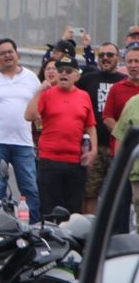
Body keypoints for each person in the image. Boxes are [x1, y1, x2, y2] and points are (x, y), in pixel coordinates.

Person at [0, 38, 41, 223]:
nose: (7, 56)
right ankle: (0, 227)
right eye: (2, 53)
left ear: (17, 54)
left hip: (23, 142)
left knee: (29, 188)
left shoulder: (31, 78)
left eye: (10, 52)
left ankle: (35, 227)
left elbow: (39, 105)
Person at [25, 56, 97, 215]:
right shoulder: (46, 94)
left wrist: (94, 150)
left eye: (68, 71)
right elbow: (29, 116)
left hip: (75, 162)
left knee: (73, 211)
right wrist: (39, 91)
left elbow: (91, 126)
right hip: (49, 160)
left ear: (77, 76)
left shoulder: (84, 96)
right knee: (50, 210)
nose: (64, 74)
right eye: (60, 70)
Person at [76, 42, 125, 214]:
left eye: (110, 55)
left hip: (117, 147)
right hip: (93, 147)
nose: (105, 58)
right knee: (90, 192)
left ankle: (113, 232)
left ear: (118, 58)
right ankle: (89, 233)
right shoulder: (88, 80)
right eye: (102, 55)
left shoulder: (124, 81)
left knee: (118, 193)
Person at [102, 45, 139, 233]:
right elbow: (107, 117)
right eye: (130, 62)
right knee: (121, 203)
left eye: (137, 61)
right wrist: (127, 138)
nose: (133, 66)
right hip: (123, 155)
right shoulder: (118, 89)